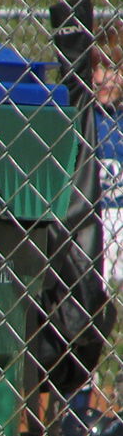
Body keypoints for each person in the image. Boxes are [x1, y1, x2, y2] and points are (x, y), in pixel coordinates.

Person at [95, 19, 123, 292]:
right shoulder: (84, 119)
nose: (103, 77)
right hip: (96, 217)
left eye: (113, 68)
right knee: (92, 291)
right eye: (98, 67)